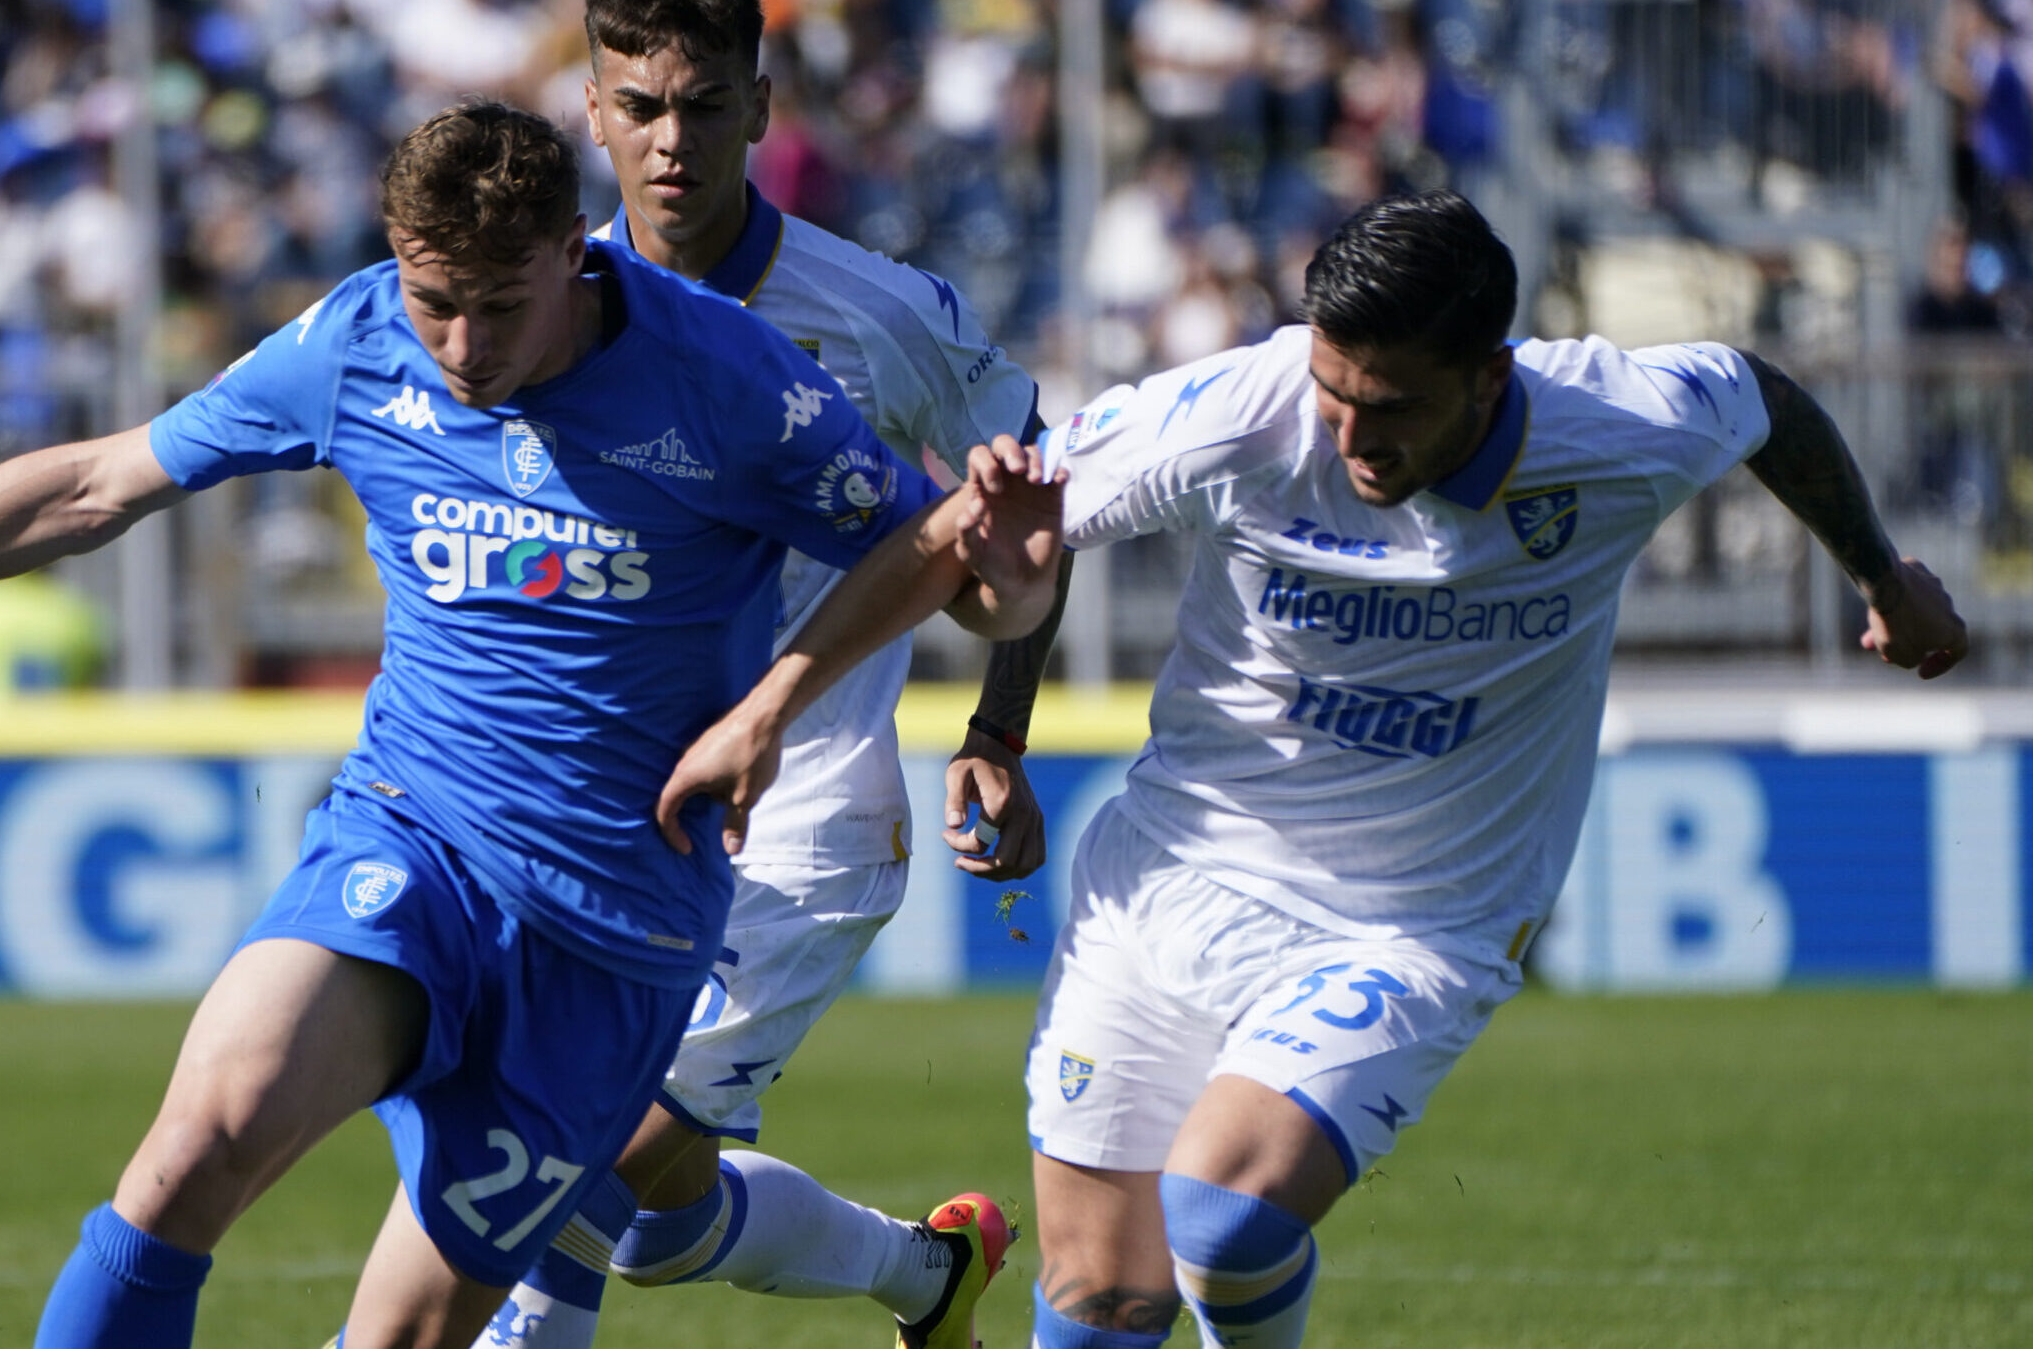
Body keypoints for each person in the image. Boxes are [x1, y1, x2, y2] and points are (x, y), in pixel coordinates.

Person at [0, 100, 1062, 1349]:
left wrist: (819, 680)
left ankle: (916, 1275)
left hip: (615, 931)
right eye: (432, 299)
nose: (457, 346)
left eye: (495, 308)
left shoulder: (731, 380)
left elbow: (941, 562)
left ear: (572, 266)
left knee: (427, 1324)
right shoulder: (357, 340)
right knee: (190, 1151)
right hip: (415, 848)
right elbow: (96, 484)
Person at [658, 190, 1969, 1349]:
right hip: (1170, 878)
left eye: (1389, 407)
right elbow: (984, 537)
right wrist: (816, 708)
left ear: (1492, 376)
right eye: (1334, 391)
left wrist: (1881, 573)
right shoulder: (1250, 405)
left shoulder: (1617, 421)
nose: (1347, 433)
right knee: (1103, 1288)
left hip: (1412, 919)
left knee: (1223, 1215)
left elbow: (1765, 402)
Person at [482, 0, 1067, 1349]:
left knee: (574, 1148)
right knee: (649, 1218)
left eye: (701, 104)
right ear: (596, 111)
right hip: (607, 810)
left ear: (759, 101)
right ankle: (927, 1278)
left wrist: (998, 728)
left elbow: (1035, 488)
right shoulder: (538, 312)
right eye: (639, 106)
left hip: (801, 811)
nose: (670, 140)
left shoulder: (880, 315)